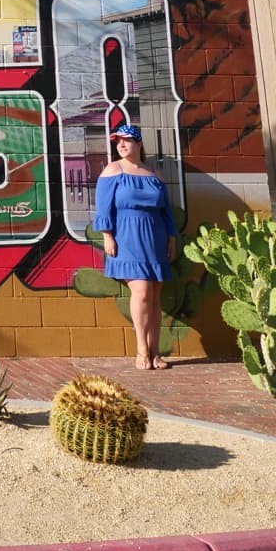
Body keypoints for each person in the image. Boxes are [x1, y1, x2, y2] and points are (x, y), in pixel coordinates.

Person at [92, 123, 178, 370]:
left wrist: (171, 239)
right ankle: (141, 349)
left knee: (155, 294)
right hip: (126, 236)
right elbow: (103, 207)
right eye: (117, 141)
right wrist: (107, 236)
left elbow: (166, 211)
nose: (121, 144)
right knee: (141, 291)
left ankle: (155, 352)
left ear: (139, 143)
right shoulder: (113, 170)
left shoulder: (154, 174)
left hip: (155, 236)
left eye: (126, 140)